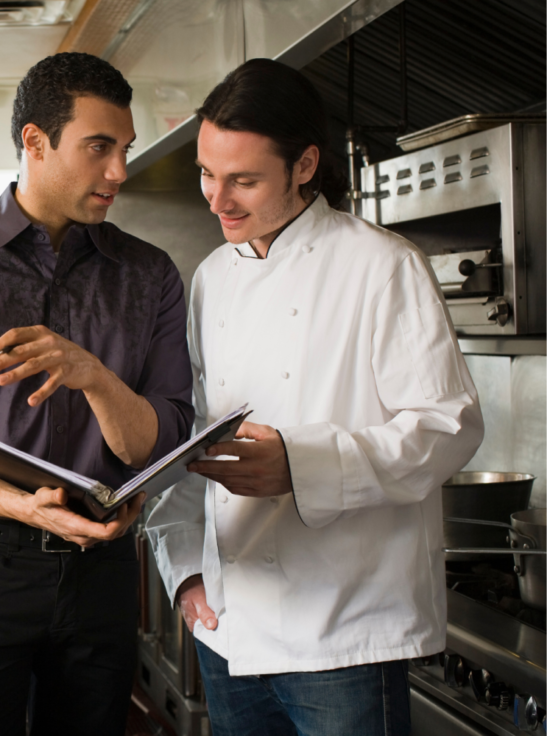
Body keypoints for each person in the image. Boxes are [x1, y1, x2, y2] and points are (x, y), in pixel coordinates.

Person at [146, 58, 484, 736]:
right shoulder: (211, 278)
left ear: (304, 165)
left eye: (243, 180)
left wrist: (301, 465)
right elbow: (196, 439)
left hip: (346, 635)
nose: (218, 199)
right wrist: (183, 568)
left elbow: (448, 427)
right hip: (230, 630)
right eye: (208, 175)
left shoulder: (383, 265)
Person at [0, 52, 194, 736]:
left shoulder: (150, 275)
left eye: (124, 149)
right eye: (98, 148)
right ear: (34, 141)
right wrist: (27, 508)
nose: (118, 171)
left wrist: (94, 376)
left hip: (103, 572)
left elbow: (163, 437)